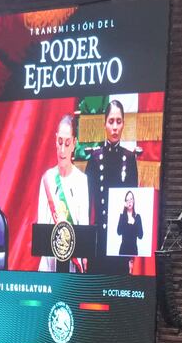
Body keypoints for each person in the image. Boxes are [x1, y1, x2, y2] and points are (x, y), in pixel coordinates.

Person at [88, 99, 139, 275]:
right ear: (104, 125)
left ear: (124, 124)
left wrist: (131, 256)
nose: (115, 127)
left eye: (118, 121)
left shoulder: (129, 159)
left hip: (120, 241)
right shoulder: (95, 158)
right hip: (99, 241)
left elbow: (134, 204)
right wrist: (86, 247)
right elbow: (88, 205)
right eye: (111, 121)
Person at [35, 114, 88, 273]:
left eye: (67, 143)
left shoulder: (81, 180)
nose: (63, 150)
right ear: (55, 140)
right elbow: (41, 227)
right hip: (49, 262)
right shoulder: (47, 179)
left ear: (74, 143)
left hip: (72, 261)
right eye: (60, 142)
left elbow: (83, 225)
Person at [114, 189, 143, 257]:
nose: (129, 202)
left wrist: (135, 223)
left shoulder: (137, 217)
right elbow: (119, 232)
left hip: (133, 250)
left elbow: (140, 236)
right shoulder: (122, 216)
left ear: (134, 201)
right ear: (125, 202)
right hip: (123, 250)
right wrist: (125, 218)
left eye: (131, 199)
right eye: (127, 200)